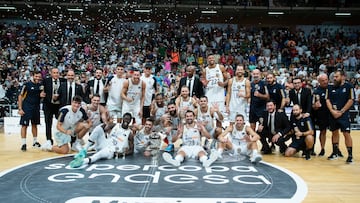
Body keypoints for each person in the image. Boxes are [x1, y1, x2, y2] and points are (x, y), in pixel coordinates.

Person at [69, 113, 134, 168]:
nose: (126, 121)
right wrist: (107, 124)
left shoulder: (130, 133)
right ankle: (84, 150)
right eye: (125, 118)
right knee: (99, 128)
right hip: (105, 144)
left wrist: (121, 154)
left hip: (111, 150)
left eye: (128, 119)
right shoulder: (115, 125)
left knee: (98, 155)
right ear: (123, 118)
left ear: (130, 121)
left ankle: (84, 161)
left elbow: (131, 150)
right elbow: (104, 128)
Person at [326, 70, 354, 164]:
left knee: (346, 133)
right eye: (334, 77)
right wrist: (332, 111)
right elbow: (327, 100)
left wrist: (342, 111)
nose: (334, 78)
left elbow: (351, 100)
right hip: (332, 114)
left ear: (343, 77)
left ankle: (350, 155)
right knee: (334, 133)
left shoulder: (349, 86)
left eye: (336, 76)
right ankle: (335, 152)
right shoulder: (330, 87)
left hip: (344, 114)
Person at [18, 71, 45, 151]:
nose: (38, 78)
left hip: (36, 108)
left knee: (35, 124)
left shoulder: (41, 86)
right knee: (24, 125)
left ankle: (35, 142)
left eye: (39, 77)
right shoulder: (26, 85)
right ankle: (23, 143)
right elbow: (20, 95)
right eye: (36, 76)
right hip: (26, 107)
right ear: (33, 76)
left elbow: (41, 96)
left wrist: (42, 96)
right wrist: (20, 108)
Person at [42, 67, 63, 146]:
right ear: (51, 73)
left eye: (57, 73)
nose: (56, 74)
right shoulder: (46, 81)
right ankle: (48, 140)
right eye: (54, 73)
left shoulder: (62, 81)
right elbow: (42, 90)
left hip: (59, 106)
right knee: (48, 123)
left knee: (61, 123)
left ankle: (61, 140)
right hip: (48, 105)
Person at [312, 74, 330, 156]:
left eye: (326, 79)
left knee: (335, 131)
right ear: (319, 82)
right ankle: (322, 149)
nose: (325, 82)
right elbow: (313, 106)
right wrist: (315, 106)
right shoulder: (316, 92)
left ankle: (336, 149)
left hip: (331, 113)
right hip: (320, 115)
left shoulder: (331, 88)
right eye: (323, 80)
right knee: (322, 131)